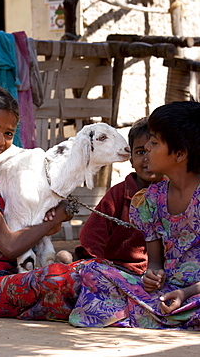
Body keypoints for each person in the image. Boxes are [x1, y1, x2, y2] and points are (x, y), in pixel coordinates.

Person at [69, 101, 200, 330]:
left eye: (154, 142)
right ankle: (157, 314)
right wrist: (153, 275)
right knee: (92, 273)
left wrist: (185, 292)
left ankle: (147, 312)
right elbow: (156, 262)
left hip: (194, 293)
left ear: (179, 154)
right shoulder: (150, 200)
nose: (147, 147)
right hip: (167, 291)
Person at [0, 85, 80, 320]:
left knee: (73, 268)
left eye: (8, 134)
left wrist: (50, 221)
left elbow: (26, 230)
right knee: (62, 278)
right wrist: (59, 216)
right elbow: (10, 245)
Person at [57, 117, 164, 276]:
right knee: (64, 258)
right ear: (131, 159)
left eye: (154, 151)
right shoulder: (119, 194)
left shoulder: (173, 193)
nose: (147, 158)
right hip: (114, 267)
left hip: (157, 272)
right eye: (140, 152)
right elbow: (92, 233)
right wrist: (97, 264)